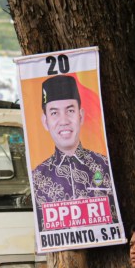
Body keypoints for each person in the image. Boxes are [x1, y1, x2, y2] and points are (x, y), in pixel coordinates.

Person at [32, 75, 113, 205]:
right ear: (45, 121)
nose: (64, 121)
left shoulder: (106, 166)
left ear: (80, 116)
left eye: (70, 110)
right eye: (54, 113)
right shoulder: (36, 178)